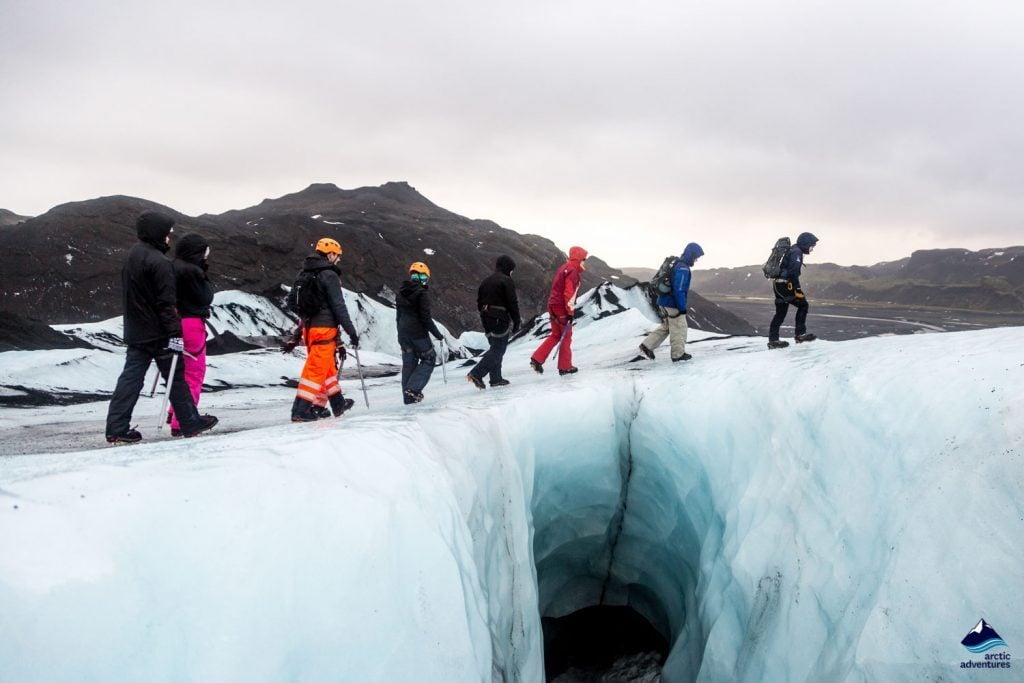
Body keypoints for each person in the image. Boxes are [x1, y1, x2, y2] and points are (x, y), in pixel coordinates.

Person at [105, 212, 218, 443]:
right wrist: (174, 334)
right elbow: (166, 303)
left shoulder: (132, 257)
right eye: (167, 233)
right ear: (158, 232)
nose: (169, 237)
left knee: (131, 378)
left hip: (136, 330)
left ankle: (116, 428)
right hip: (158, 332)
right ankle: (189, 422)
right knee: (176, 378)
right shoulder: (159, 262)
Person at [289, 238, 360, 422]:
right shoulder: (329, 275)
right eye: (338, 256)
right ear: (330, 254)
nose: (338, 260)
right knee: (315, 371)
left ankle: (338, 404)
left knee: (326, 368)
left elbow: (294, 302)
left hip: (309, 329)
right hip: (324, 329)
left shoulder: (304, 273)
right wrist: (351, 331)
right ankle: (301, 410)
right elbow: (338, 306)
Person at [166, 233, 214, 436]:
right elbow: (206, 297)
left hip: (172, 323)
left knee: (178, 372)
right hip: (191, 324)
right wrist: (203, 273)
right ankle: (184, 420)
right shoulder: (193, 271)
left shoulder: (170, 267)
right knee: (194, 372)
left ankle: (174, 412)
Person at [639, 242, 704, 362]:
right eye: (696, 257)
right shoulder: (683, 268)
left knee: (667, 326)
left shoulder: (675, 264)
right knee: (680, 327)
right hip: (672, 303)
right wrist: (682, 307)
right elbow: (679, 289)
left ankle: (647, 346)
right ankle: (678, 355)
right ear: (691, 254)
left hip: (663, 301)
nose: (696, 260)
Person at [530, 246, 588, 376]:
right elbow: (569, 293)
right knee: (565, 337)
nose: (585, 262)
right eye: (584, 259)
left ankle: (537, 358)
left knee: (556, 334)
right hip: (561, 307)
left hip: (552, 305)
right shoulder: (572, 271)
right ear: (578, 258)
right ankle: (565, 367)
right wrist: (570, 312)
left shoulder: (563, 268)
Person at [467, 255, 521, 389]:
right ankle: (476, 373)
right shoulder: (506, 280)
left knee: (495, 348)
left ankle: (496, 379)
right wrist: (516, 321)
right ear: (508, 267)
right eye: (511, 270)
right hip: (499, 318)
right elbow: (512, 303)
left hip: (486, 318)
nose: (512, 272)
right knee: (498, 349)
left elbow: (479, 302)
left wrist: (486, 314)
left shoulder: (486, 281)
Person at [396, 262, 445, 404]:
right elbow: (425, 319)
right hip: (417, 332)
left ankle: (408, 397)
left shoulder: (400, 293)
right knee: (429, 358)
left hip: (403, 333)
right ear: (423, 277)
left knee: (409, 363)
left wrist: (400, 336)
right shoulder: (422, 294)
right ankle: (413, 389)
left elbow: (398, 317)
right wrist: (438, 335)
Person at [768, 232, 819, 349]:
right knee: (803, 305)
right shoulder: (797, 252)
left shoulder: (794, 250)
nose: (812, 249)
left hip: (779, 285)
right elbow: (793, 273)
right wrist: (798, 289)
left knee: (780, 313)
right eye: (812, 246)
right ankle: (800, 335)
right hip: (786, 285)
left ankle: (773, 340)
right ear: (805, 244)